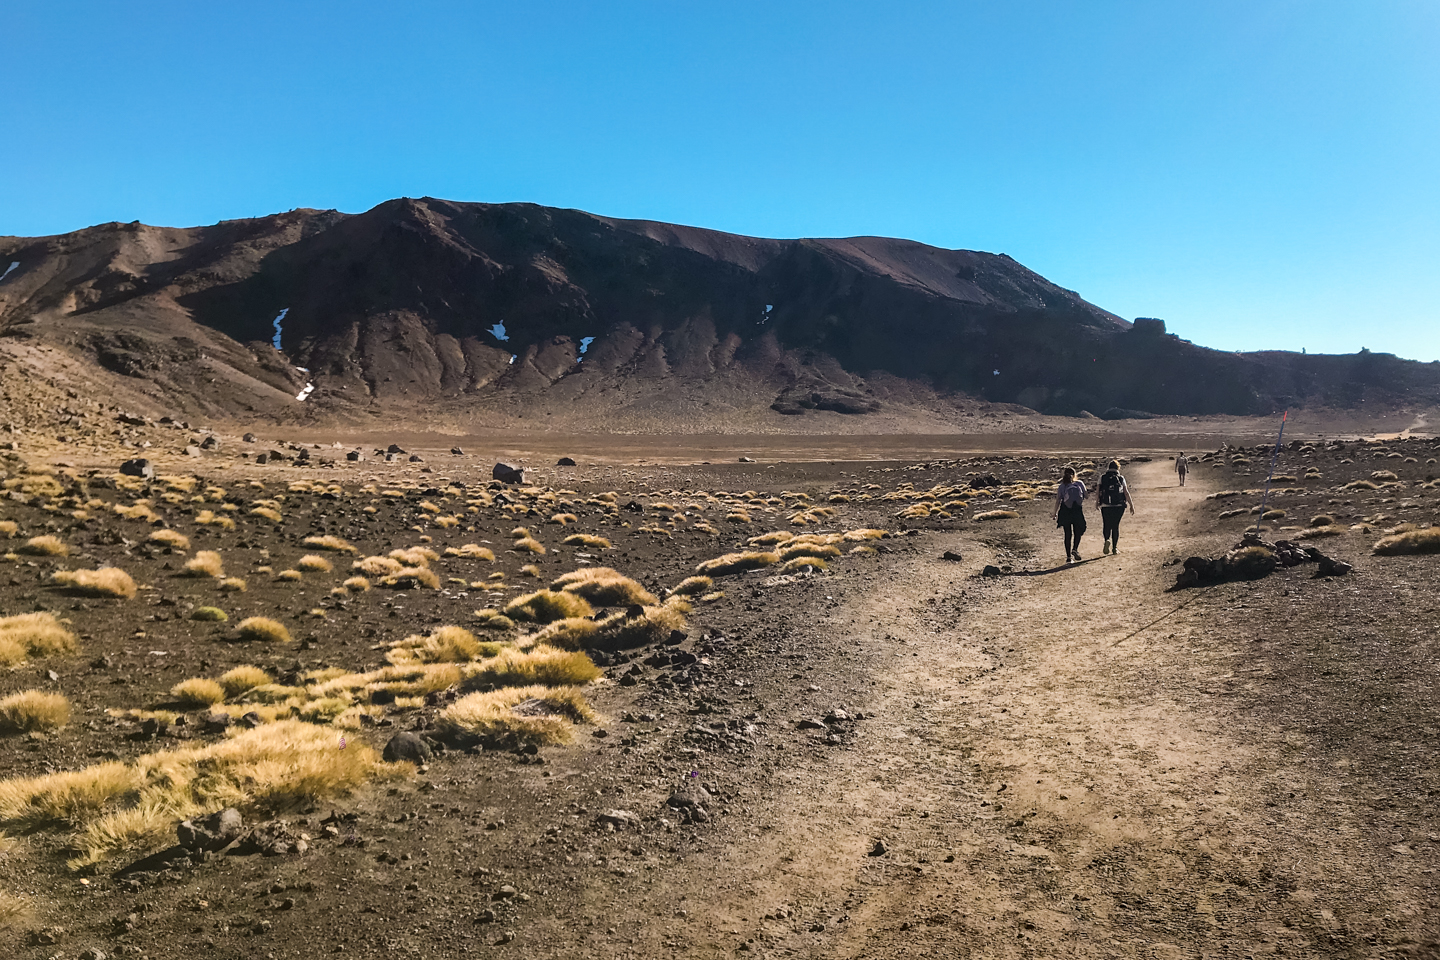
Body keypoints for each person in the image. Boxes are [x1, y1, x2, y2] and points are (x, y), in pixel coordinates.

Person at [1096, 459, 1136, 554]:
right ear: (1118, 468)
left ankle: (1106, 540)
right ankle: (1114, 548)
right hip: (1119, 505)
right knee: (1115, 526)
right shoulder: (1121, 478)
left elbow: (1098, 491)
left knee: (1106, 524)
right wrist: (1131, 505)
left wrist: (1097, 502)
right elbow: (1126, 493)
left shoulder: (1102, 477)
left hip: (1105, 505)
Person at [1051, 466, 1088, 563]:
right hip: (1077, 510)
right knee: (1078, 531)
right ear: (1075, 475)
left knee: (1067, 534)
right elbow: (1086, 496)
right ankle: (1075, 549)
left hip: (1065, 511)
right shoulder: (1079, 483)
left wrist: (1054, 513)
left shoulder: (1062, 486)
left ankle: (1068, 557)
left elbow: (1058, 500)